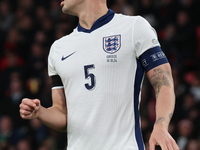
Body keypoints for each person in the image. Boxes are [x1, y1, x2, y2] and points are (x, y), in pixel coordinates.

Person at [19, 0, 180, 149]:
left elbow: (163, 83)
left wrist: (161, 126)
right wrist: (40, 113)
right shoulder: (58, 48)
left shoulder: (134, 27)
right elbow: (63, 114)